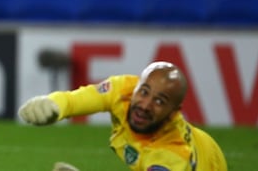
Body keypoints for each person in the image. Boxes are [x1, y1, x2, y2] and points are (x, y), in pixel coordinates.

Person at [18, 61, 228, 171]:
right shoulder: (123, 90)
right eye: (144, 92)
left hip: (208, 163)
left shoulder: (172, 155)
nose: (145, 105)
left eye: (159, 101)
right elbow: (75, 100)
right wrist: (53, 105)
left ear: (174, 111)